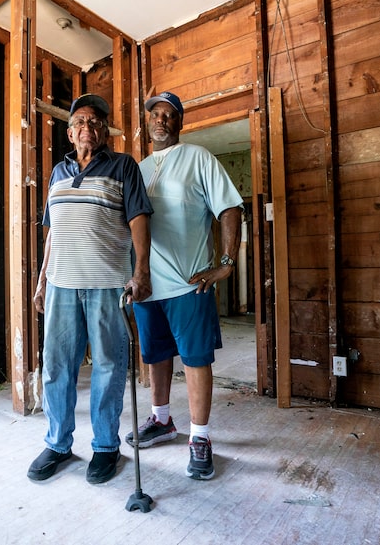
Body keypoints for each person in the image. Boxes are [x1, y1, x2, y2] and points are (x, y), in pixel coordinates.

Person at [28, 94, 153, 484]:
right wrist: (42, 276)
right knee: (57, 367)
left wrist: (142, 273)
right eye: (81, 121)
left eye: (97, 122)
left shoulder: (123, 167)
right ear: (69, 132)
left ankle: (105, 447)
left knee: (108, 368)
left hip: (107, 284)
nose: (89, 127)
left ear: (105, 132)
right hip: (62, 284)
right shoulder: (57, 173)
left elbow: (138, 221)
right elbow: (52, 230)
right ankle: (58, 444)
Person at [128, 91, 243, 480]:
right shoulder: (138, 169)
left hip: (188, 282)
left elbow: (229, 207)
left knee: (195, 358)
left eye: (169, 114)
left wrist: (225, 264)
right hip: (147, 286)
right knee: (156, 355)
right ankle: (162, 421)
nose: (161, 120)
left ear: (179, 122)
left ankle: (200, 438)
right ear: (146, 121)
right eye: (154, 114)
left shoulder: (198, 158)